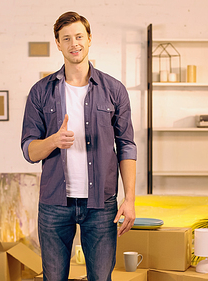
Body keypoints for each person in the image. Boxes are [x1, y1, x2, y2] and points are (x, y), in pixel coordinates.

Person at [21, 11, 137, 281]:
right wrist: (53, 141)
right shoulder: (40, 91)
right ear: (58, 44)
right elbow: (28, 150)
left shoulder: (114, 89)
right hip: (54, 204)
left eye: (79, 36)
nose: (74, 43)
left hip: (101, 205)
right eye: (66, 38)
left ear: (89, 39)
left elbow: (127, 146)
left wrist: (129, 200)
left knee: (101, 278)